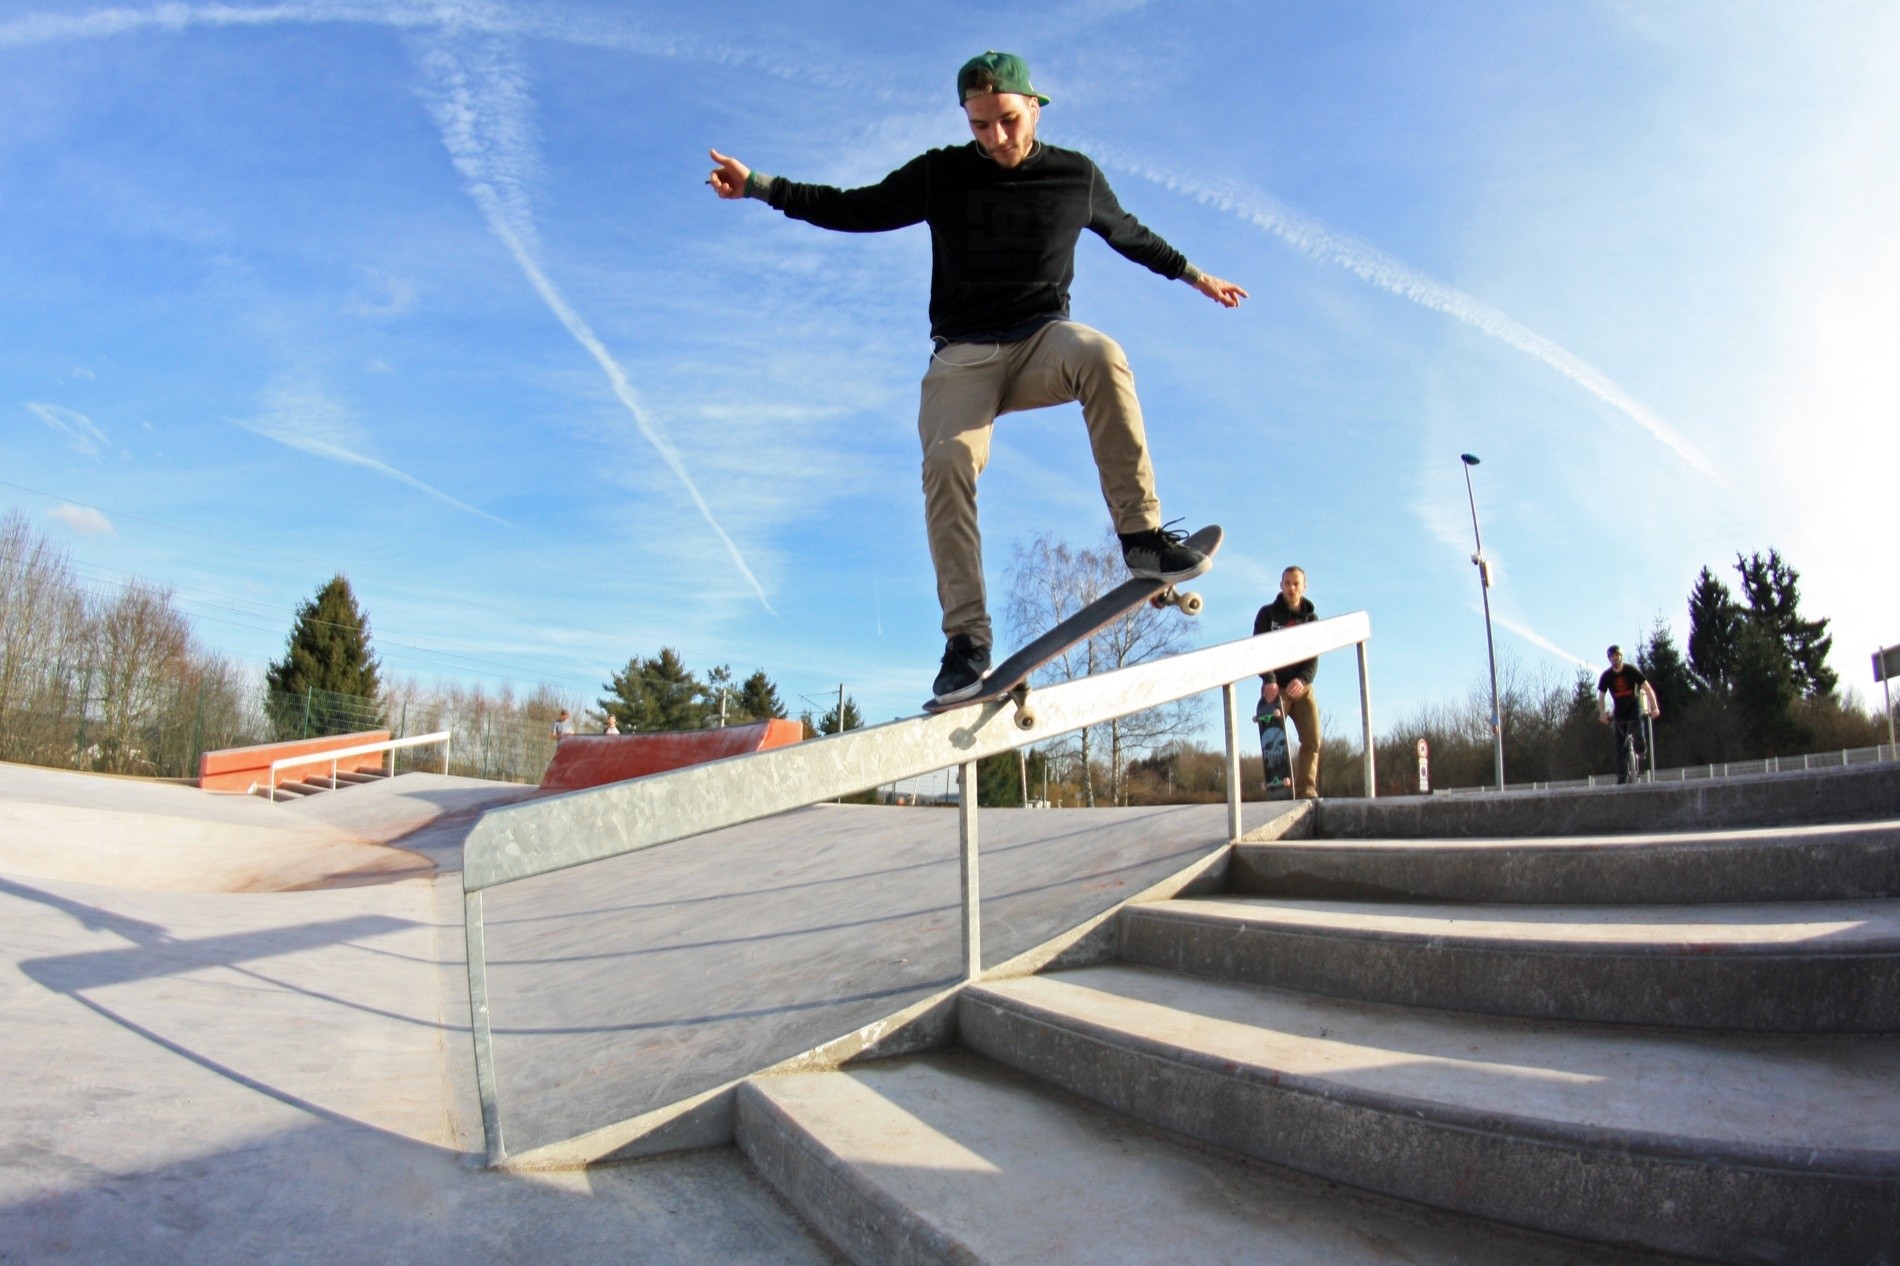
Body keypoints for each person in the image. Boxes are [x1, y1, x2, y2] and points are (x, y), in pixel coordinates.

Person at [708, 51, 1249, 703]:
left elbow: (1129, 233)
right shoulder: (943, 174)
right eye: (980, 126)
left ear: (1034, 107)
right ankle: (967, 641)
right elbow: (855, 207)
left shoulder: (1075, 178)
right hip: (963, 354)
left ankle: (1141, 538)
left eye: (1007, 121)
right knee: (946, 464)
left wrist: (1196, 275)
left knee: (1101, 353)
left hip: (1043, 342)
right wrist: (762, 186)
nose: (995, 138)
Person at [1254, 566, 1320, 798]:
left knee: (1312, 739)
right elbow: (1257, 650)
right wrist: (1269, 679)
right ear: (1281, 585)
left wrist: (1303, 680)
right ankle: (1278, 786)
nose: (1292, 588)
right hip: (1277, 687)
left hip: (1301, 687)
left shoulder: (1312, 619)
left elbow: (1313, 658)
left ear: (1304, 587)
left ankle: (1306, 789)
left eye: (1296, 583)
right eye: (1287, 583)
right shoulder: (1267, 614)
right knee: (1274, 739)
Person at [1597, 645, 1660, 784]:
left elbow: (1647, 689)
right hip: (1619, 709)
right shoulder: (1606, 676)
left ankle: (1640, 743)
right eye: (1612, 657)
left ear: (1621, 657)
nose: (1614, 658)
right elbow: (1601, 697)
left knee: (1637, 721)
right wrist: (1602, 713)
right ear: (1609, 659)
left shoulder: (1631, 671)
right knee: (1620, 745)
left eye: (1616, 656)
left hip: (1634, 705)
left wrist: (1654, 707)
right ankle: (1621, 776)